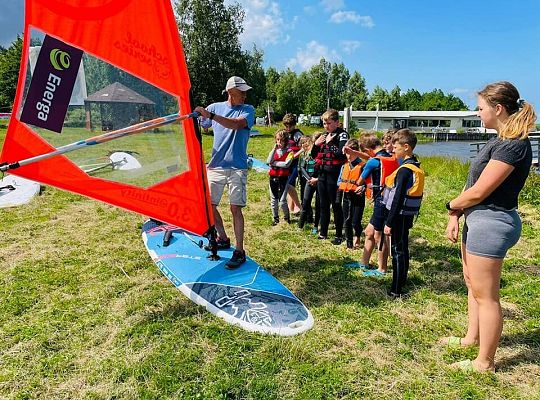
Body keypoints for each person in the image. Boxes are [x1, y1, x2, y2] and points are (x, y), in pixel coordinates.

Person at [444, 81, 536, 373]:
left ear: (498, 109)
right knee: (473, 284)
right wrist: (456, 215)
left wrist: (450, 206)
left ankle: (485, 362)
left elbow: (479, 191)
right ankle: (472, 339)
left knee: (487, 296)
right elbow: (472, 185)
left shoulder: (513, 146)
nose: (477, 113)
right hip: (477, 219)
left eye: (481, 108)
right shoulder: (499, 140)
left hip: (492, 223)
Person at [195, 76, 255, 269]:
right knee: (209, 206)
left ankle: (239, 251)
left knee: (235, 208)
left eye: (245, 92)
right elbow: (202, 124)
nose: (245, 96)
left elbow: (236, 124)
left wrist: (210, 117)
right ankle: (222, 237)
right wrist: (197, 114)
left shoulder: (248, 110)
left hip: (237, 167)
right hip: (216, 166)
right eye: (241, 92)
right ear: (231, 92)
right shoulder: (215, 107)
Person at [382, 129, 424, 297]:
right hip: (407, 216)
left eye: (396, 146)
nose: (392, 149)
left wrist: (389, 223)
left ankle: (396, 289)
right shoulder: (415, 164)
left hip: (398, 216)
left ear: (406, 147)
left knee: (397, 251)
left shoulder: (405, 170)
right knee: (403, 248)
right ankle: (402, 281)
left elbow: (397, 199)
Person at [353, 132, 399, 277]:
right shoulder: (393, 158)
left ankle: (382, 269)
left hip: (381, 202)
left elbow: (359, 181)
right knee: (369, 232)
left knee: (379, 235)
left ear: (368, 150)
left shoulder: (373, 162)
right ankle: (364, 263)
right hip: (390, 199)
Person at [310, 109, 349, 243]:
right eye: (324, 123)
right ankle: (323, 232)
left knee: (336, 204)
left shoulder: (342, 135)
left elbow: (341, 154)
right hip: (322, 174)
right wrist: (316, 144)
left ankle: (339, 234)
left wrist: (330, 143)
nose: (326, 126)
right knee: (323, 204)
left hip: (335, 174)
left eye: (329, 123)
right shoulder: (324, 135)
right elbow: (314, 155)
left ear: (337, 123)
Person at [337, 138, 366, 249]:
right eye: (346, 154)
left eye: (350, 153)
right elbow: (339, 181)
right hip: (346, 196)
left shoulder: (363, 166)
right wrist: (342, 184)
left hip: (358, 197)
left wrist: (362, 187)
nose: (348, 156)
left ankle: (357, 236)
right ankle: (349, 244)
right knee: (347, 221)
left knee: (355, 221)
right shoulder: (344, 166)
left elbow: (367, 183)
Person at [267, 129, 294, 225]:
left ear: (285, 141)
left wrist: (275, 163)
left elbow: (287, 164)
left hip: (283, 178)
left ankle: (287, 217)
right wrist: (273, 150)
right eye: (277, 140)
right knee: (274, 200)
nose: (279, 142)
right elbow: (268, 161)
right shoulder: (274, 151)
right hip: (273, 178)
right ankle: (275, 218)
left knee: (282, 201)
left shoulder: (290, 151)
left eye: (281, 140)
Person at [298, 134, 321, 231]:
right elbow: (302, 168)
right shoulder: (305, 155)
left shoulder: (321, 154)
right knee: (305, 202)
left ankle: (316, 226)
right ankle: (300, 225)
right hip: (309, 181)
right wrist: (309, 179)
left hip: (319, 181)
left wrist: (317, 179)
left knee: (318, 204)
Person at [282, 113, 304, 214]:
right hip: (287, 163)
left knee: (289, 184)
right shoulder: (285, 134)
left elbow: (304, 147)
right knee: (291, 185)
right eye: (286, 126)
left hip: (296, 163)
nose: (288, 128)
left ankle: (299, 206)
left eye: (290, 126)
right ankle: (291, 207)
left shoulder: (297, 134)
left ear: (294, 125)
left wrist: (295, 156)